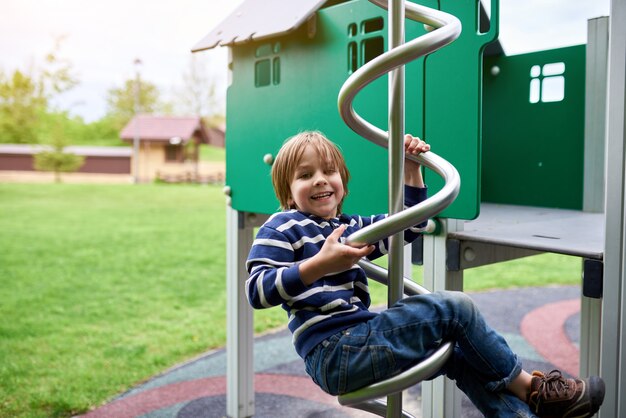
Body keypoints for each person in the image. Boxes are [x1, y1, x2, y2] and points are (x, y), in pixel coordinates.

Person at [245, 130, 605, 417]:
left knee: (459, 357)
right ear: (289, 193)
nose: (321, 181)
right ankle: (533, 389)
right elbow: (258, 291)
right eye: (306, 175)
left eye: (329, 171)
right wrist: (318, 265)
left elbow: (409, 225)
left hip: (357, 341)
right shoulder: (282, 226)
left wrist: (411, 167)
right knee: (455, 308)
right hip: (337, 349)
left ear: (343, 182)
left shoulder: (349, 227)